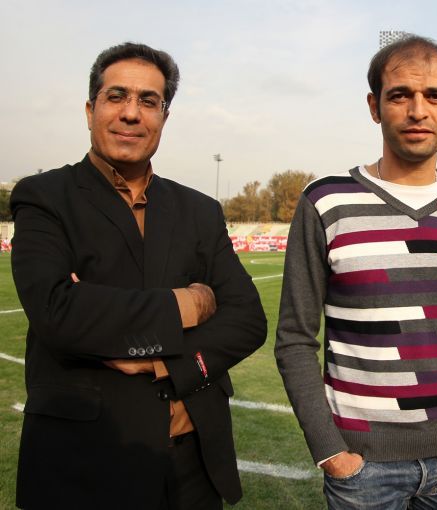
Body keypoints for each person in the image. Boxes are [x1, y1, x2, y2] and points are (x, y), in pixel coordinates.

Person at [11, 42, 267, 510]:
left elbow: (248, 320)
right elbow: (59, 313)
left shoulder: (199, 210)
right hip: (84, 466)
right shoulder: (44, 197)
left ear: (163, 118)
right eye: (116, 96)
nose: (131, 113)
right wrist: (190, 303)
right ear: (90, 110)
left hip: (192, 467)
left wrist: (160, 362)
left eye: (149, 101)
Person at [275, 34, 437, 509]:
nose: (418, 111)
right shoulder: (326, 201)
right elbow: (295, 337)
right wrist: (330, 451)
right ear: (374, 106)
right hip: (361, 466)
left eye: (434, 96)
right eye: (400, 95)